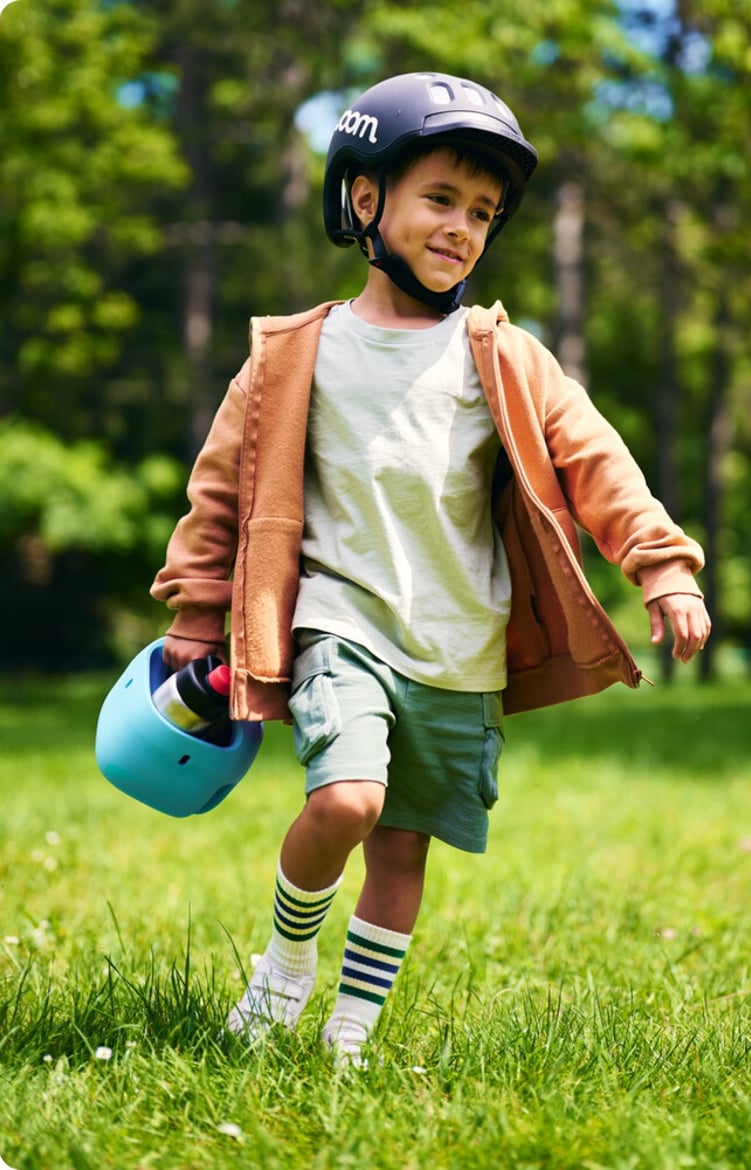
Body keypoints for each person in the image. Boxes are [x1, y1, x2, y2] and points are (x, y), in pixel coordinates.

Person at [151, 72, 711, 1066]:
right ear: (365, 201)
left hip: (458, 647)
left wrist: (663, 566)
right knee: (348, 803)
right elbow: (218, 498)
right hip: (340, 621)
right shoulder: (293, 356)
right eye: (441, 199)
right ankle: (282, 974)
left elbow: (599, 466)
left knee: (402, 847)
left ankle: (350, 1035)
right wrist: (197, 621)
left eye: (484, 213)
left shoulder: (503, 354)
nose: (463, 228)